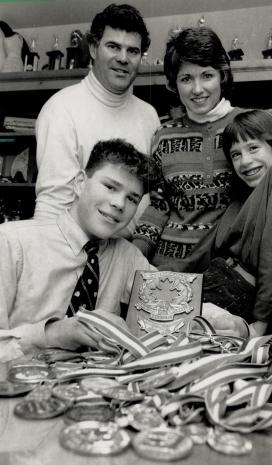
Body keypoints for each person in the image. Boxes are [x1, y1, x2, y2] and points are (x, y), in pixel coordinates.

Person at [0, 139, 158, 363]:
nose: (119, 204)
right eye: (110, 187)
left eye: (132, 198)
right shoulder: (11, 242)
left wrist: (219, 318)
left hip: (96, 389)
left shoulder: (127, 256)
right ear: (80, 182)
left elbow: (175, 299)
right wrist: (54, 334)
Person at [34, 3, 160, 236]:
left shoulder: (149, 116)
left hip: (133, 256)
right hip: (77, 259)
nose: (123, 58)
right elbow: (52, 206)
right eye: (113, 46)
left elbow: (151, 199)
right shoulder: (61, 108)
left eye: (132, 51)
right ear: (93, 48)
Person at [179, 109, 272, 338]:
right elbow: (195, 260)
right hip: (203, 299)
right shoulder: (239, 203)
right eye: (235, 154)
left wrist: (260, 324)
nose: (245, 161)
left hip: (235, 310)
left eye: (253, 148)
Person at [133, 26, 244, 269]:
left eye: (206, 75)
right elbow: (159, 206)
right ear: (174, 84)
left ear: (222, 75)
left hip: (224, 272)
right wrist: (132, 258)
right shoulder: (163, 136)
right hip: (164, 269)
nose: (197, 89)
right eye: (186, 78)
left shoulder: (248, 127)